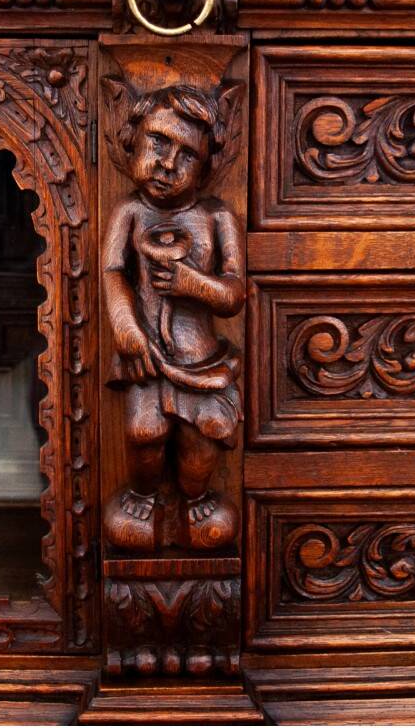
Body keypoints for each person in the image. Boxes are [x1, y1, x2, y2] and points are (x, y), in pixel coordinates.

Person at [102, 84, 244, 552]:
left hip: (201, 359)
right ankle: (142, 496)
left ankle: (197, 498)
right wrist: (126, 326)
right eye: (159, 142)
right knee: (144, 435)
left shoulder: (216, 217)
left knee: (200, 446)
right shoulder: (129, 211)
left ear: (207, 167)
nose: (167, 164)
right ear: (132, 139)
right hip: (145, 355)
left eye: (187, 155)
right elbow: (112, 271)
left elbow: (233, 294)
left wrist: (192, 284)